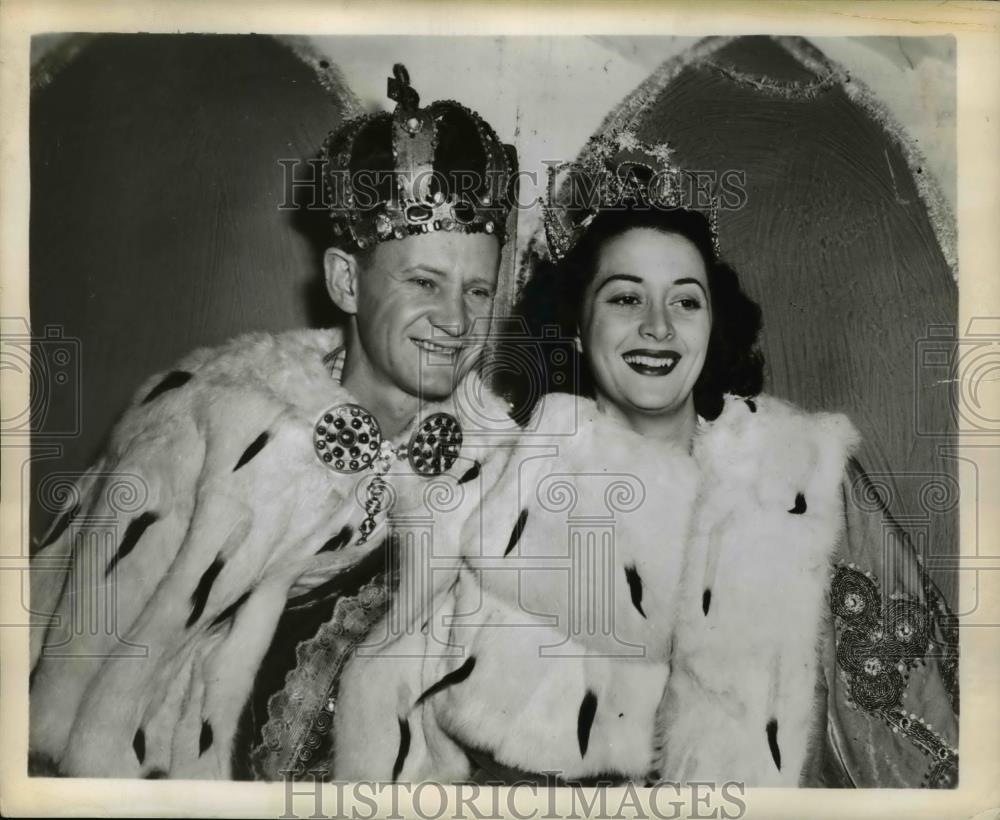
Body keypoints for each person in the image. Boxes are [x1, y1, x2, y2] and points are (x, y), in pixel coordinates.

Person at [329, 128, 958, 787]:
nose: (658, 327)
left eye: (685, 300)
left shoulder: (805, 479)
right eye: (626, 298)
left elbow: (917, 725)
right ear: (577, 323)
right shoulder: (495, 493)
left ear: (714, 321)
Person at [28, 64, 519, 779]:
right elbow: (71, 701)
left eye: (478, 290)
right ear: (347, 282)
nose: (456, 320)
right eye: (424, 282)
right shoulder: (215, 434)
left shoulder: (494, 457)